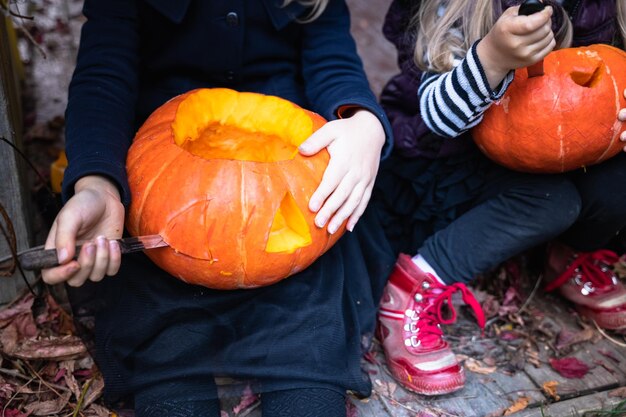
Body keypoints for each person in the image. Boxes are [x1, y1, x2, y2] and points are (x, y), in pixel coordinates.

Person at [40, 1, 397, 416]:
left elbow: (332, 60)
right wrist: (98, 182)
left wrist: (362, 118)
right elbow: (103, 77)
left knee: (310, 348)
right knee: (166, 359)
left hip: (292, 194)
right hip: (165, 206)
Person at [373, 0, 626, 396]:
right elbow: (438, 118)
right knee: (552, 201)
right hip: (449, 160)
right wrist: (491, 58)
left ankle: (570, 253)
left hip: (560, 158)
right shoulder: (468, 7)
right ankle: (410, 288)